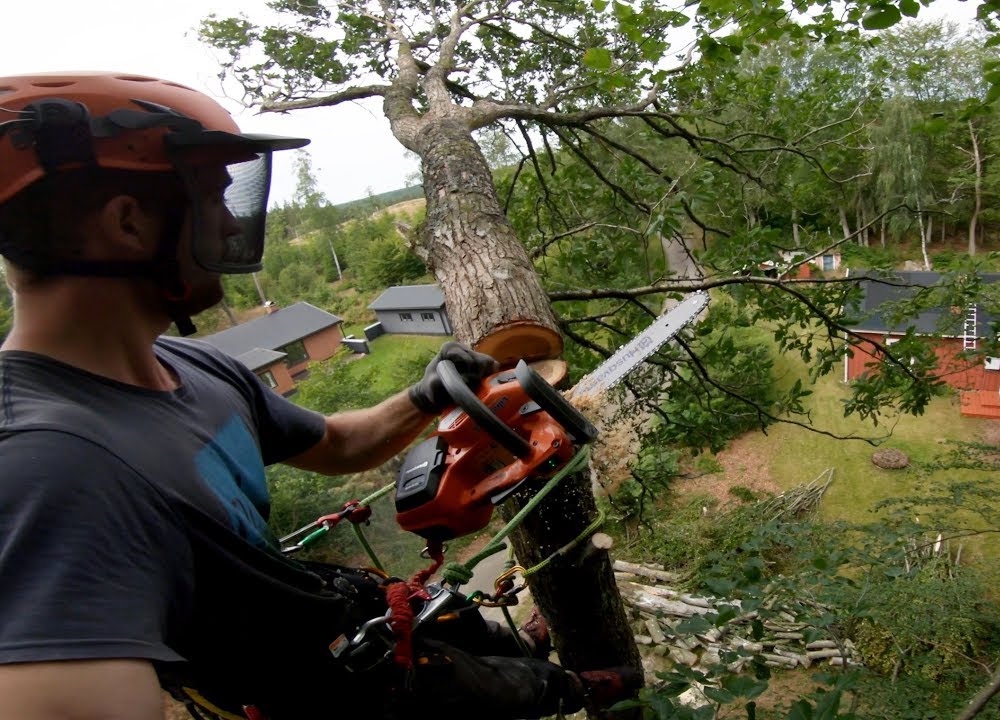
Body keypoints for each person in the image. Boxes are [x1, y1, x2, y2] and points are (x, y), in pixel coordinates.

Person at [0, 72, 636, 719]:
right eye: (213, 199)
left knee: (466, 627)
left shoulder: (190, 365)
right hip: (323, 694)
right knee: (501, 693)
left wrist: (422, 396)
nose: (228, 223)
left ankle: (517, 649)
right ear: (128, 221)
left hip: (332, 608)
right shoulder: (48, 466)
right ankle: (581, 690)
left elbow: (334, 443)